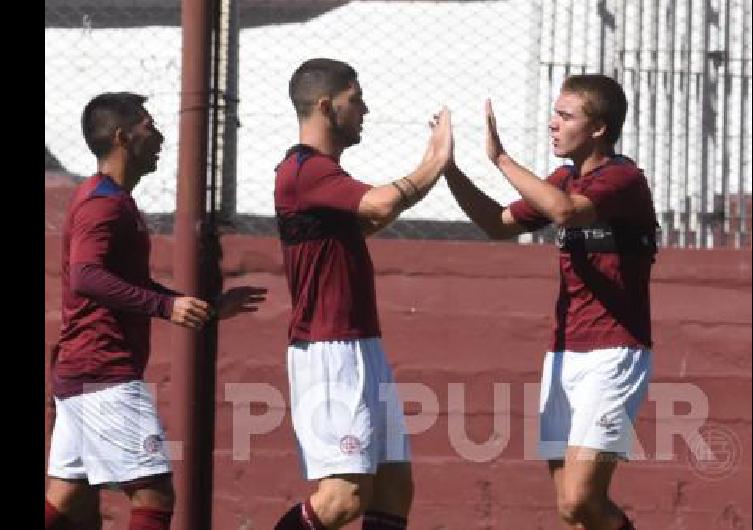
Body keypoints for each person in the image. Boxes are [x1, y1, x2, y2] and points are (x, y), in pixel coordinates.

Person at [45, 92, 267, 530]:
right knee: (154, 493)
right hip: (103, 372)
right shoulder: (102, 204)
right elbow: (86, 276)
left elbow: (126, 281)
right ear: (123, 137)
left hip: (84, 372)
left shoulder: (111, 199)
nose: (161, 136)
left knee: (67, 495)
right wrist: (166, 305)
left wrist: (205, 310)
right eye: (150, 126)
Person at [444, 75, 657, 530]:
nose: (552, 124)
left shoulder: (622, 179)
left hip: (615, 352)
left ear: (598, 128)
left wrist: (500, 157)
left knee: (581, 500)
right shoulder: (563, 178)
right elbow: (498, 223)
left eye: (565, 116)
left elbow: (565, 211)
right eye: (554, 114)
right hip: (564, 354)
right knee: (571, 511)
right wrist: (448, 171)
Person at [272, 58, 452, 530]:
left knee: (393, 490)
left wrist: (431, 171)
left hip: (361, 345)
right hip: (329, 348)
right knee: (343, 497)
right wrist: (434, 159)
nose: (365, 108)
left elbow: (368, 222)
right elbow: (382, 201)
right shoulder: (303, 170)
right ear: (327, 106)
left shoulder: (324, 179)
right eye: (356, 99)